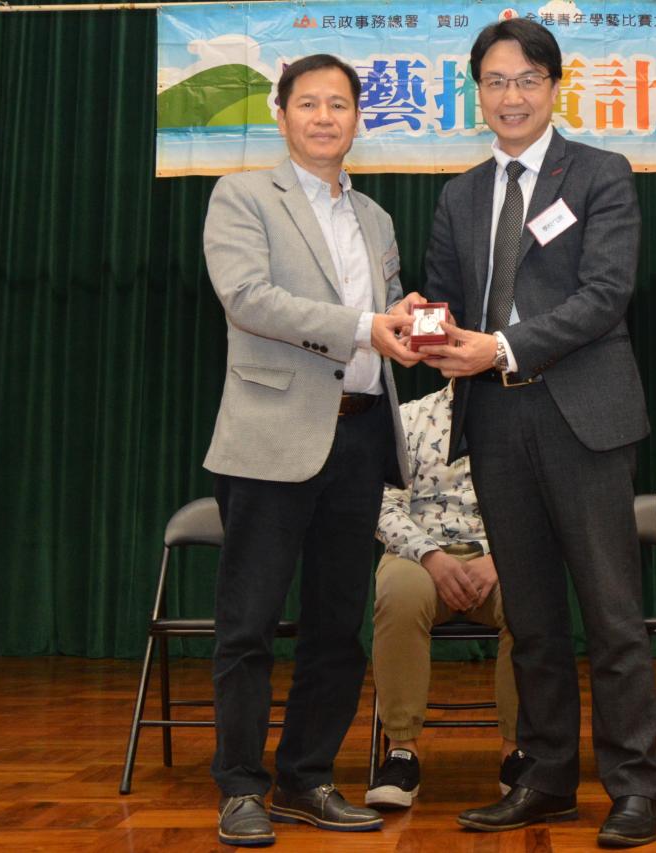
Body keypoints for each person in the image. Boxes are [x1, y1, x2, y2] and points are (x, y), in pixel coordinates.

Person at [417, 18, 656, 849]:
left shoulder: (599, 173)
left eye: (527, 79)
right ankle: (547, 778)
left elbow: (605, 295)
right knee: (531, 618)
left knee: (613, 614)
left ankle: (634, 787)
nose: (511, 96)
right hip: (494, 419)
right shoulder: (458, 195)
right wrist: (426, 324)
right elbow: (446, 297)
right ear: (477, 93)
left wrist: (501, 346)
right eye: (495, 81)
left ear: (555, 87)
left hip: (583, 415)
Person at [201, 54, 426, 846]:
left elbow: (381, 315)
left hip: (360, 435)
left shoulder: (375, 218)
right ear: (282, 113)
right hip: (271, 437)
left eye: (339, 104)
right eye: (309, 103)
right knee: (249, 625)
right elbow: (248, 298)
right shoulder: (241, 196)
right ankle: (240, 787)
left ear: (359, 117)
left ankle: (307, 777)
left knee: (337, 625)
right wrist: (365, 326)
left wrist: (405, 320)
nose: (325, 117)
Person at [366, 381, 528, 808]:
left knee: (531, 599)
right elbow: (381, 502)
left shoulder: (528, 415)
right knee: (398, 594)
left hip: (500, 556)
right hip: (420, 554)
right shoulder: (410, 417)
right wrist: (431, 557)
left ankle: (517, 751)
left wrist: (501, 557)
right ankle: (402, 751)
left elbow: (544, 502)